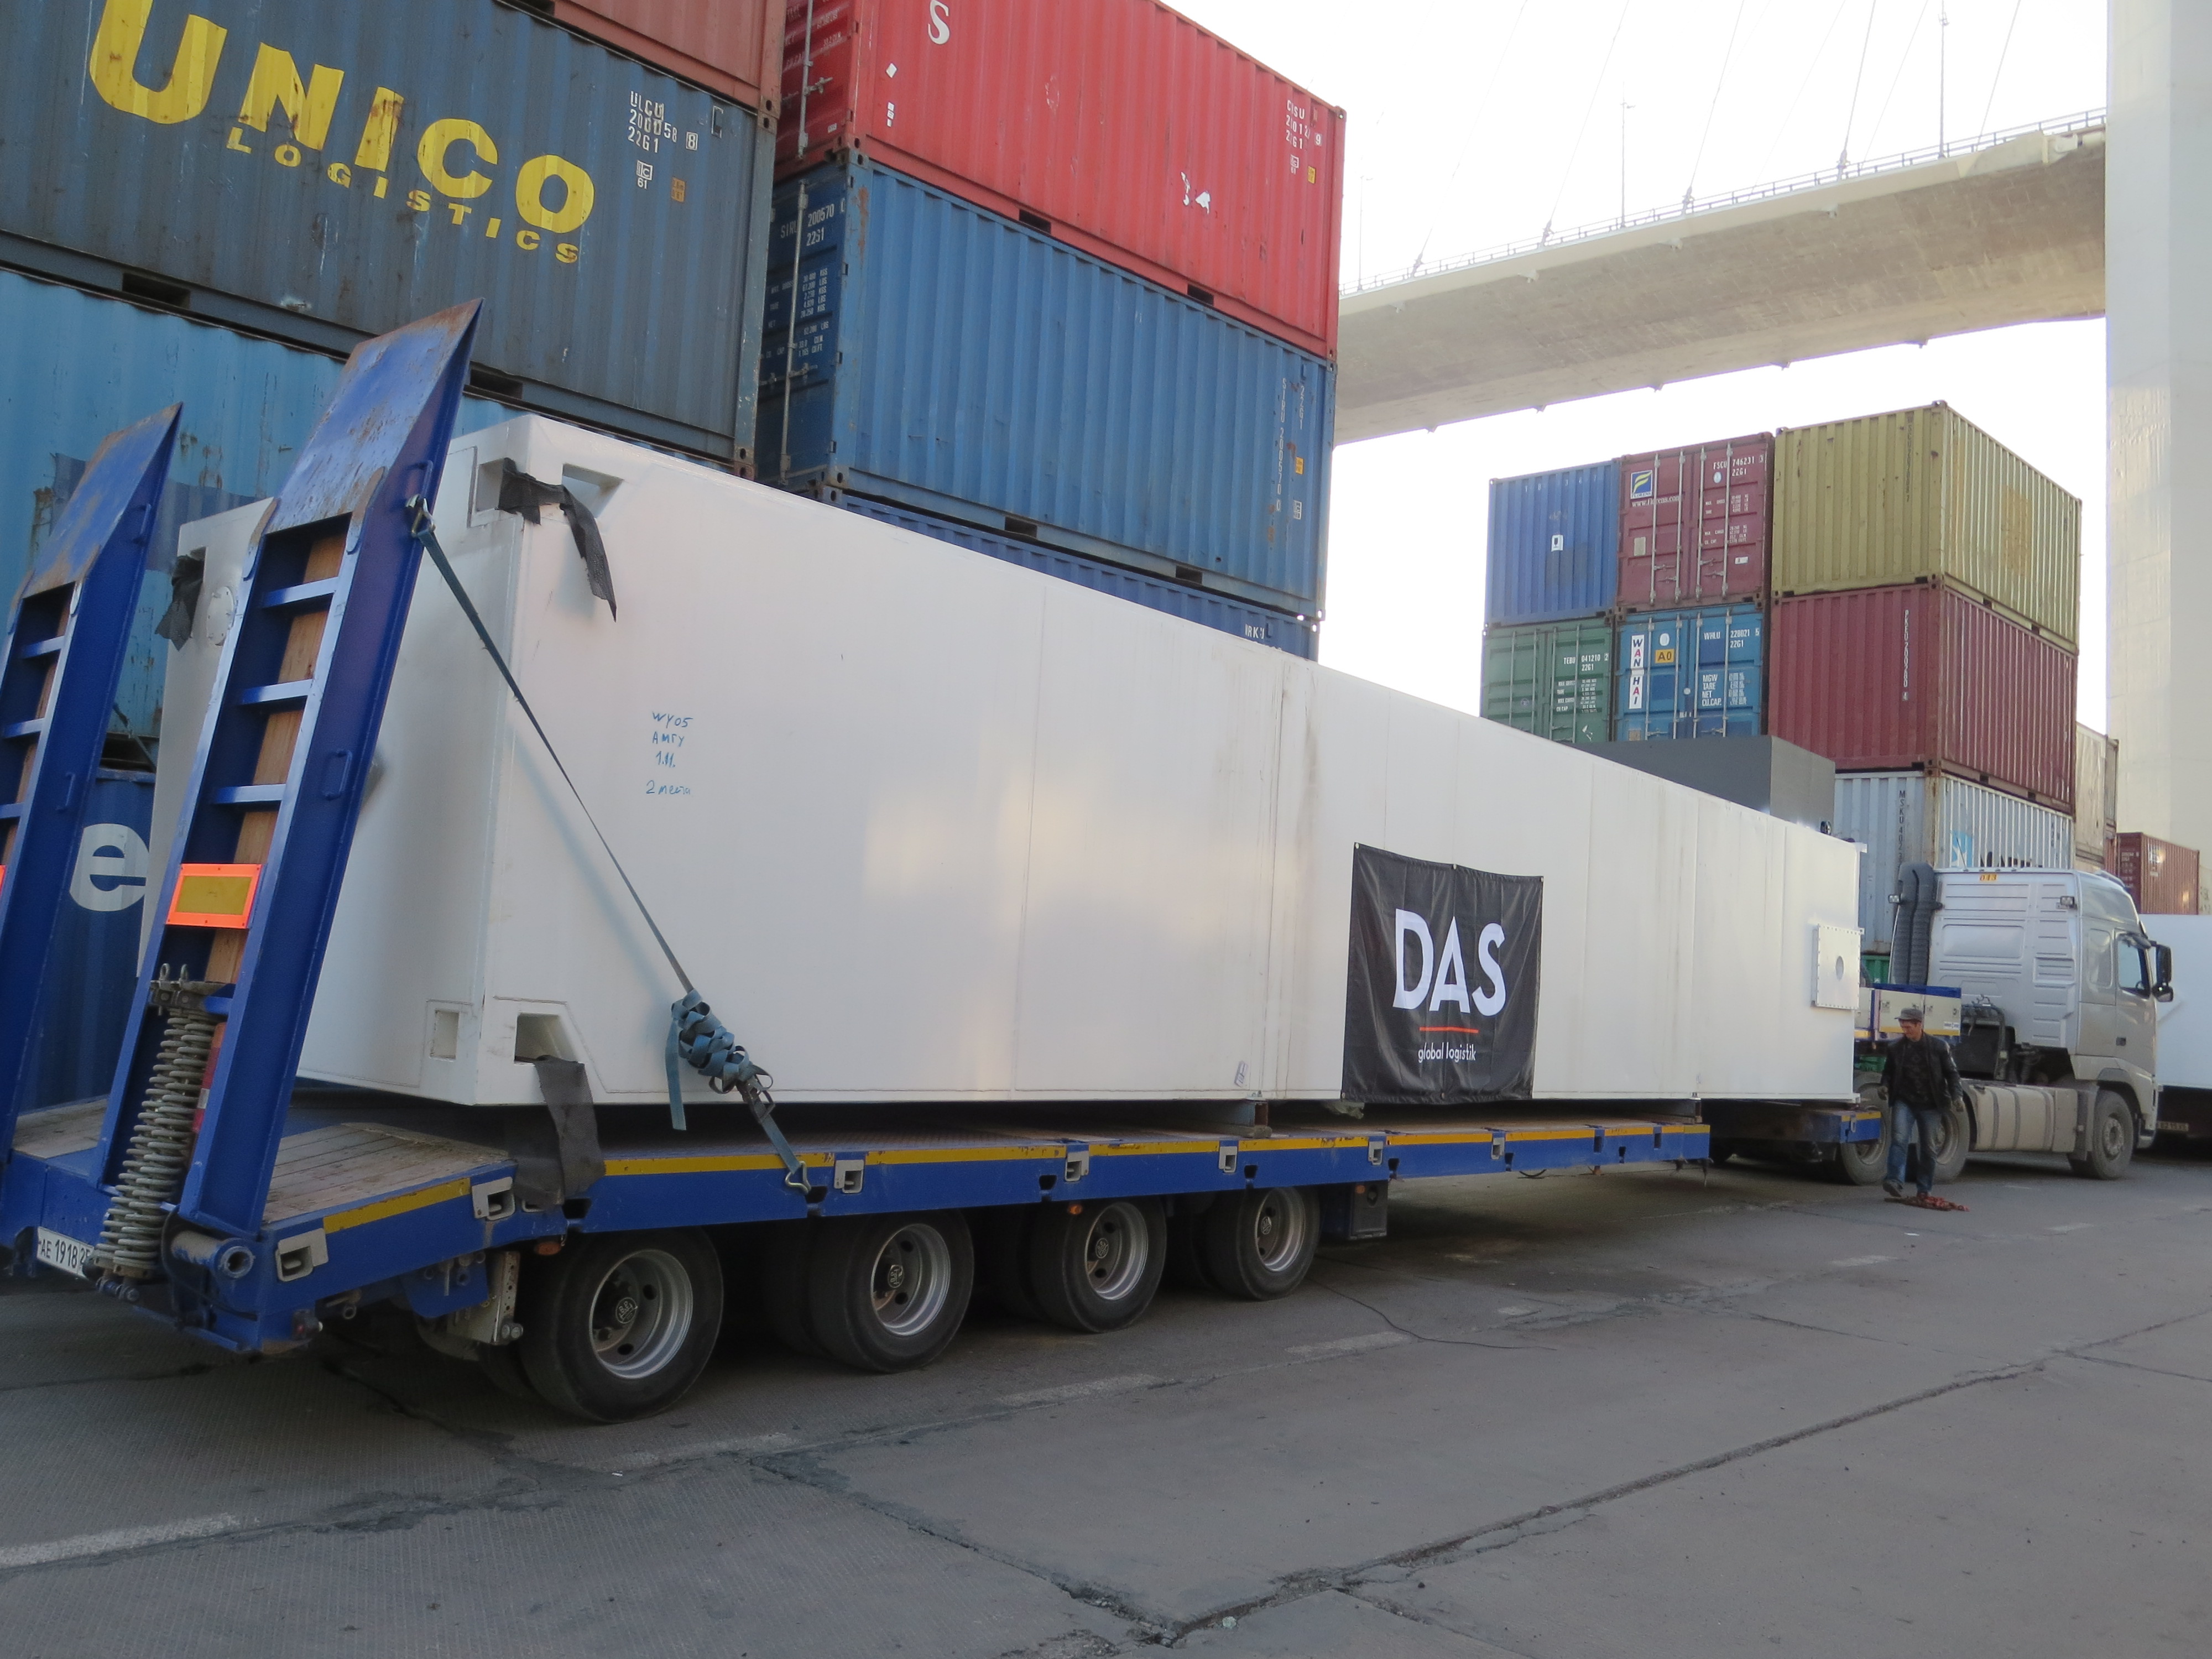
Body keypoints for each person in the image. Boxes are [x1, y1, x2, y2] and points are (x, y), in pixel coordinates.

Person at [1881, 1008, 1968, 1211]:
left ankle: (1924, 1189)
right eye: (1902, 1026)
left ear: (1919, 1025)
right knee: (1899, 1139)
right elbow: (1888, 1072)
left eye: (1908, 1027)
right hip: (1904, 1101)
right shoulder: (1895, 1048)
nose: (1905, 1030)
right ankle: (1894, 1181)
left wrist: (1957, 1097)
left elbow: (1952, 1074)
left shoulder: (1939, 1047)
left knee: (1928, 1147)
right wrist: (1884, 1086)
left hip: (1931, 1104)